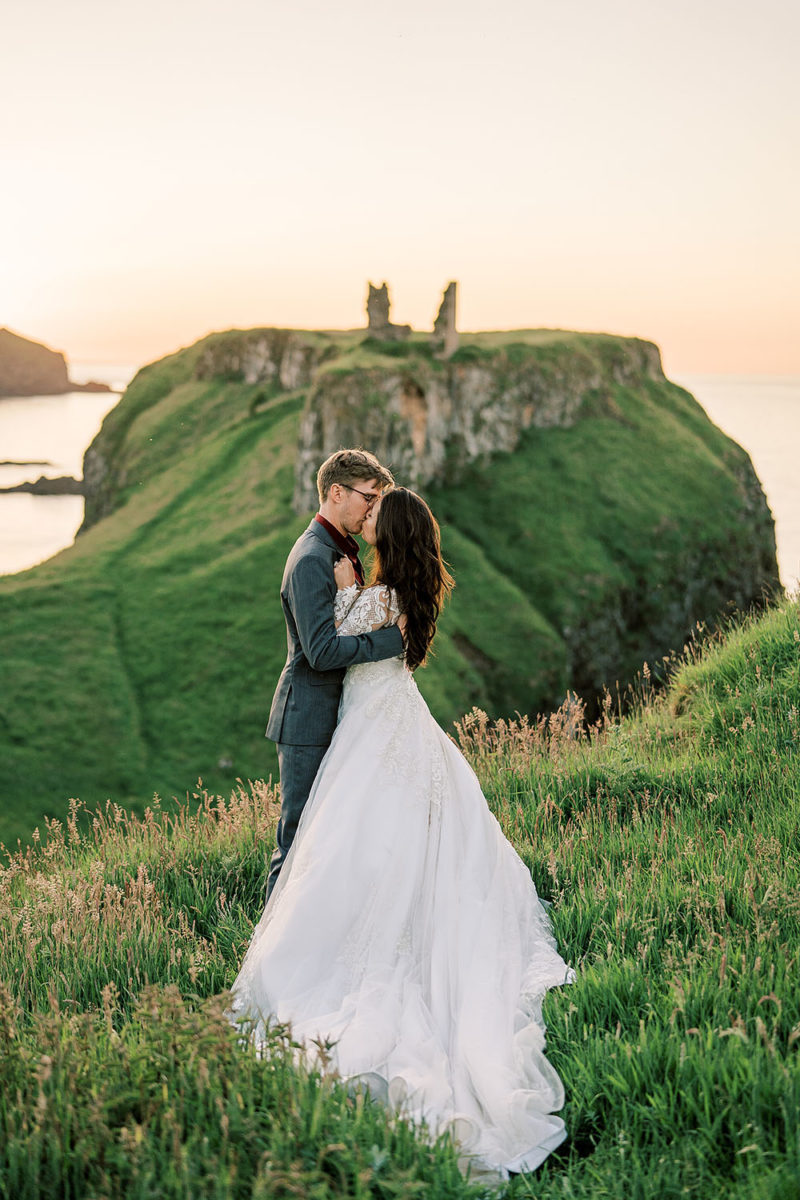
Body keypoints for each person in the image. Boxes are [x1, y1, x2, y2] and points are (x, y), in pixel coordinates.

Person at [228, 486, 575, 1182]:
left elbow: (340, 647)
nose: (368, 518)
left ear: (391, 534)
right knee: (362, 843)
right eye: (366, 505)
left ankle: (318, 941)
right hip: (381, 728)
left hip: (375, 732)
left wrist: (352, 588)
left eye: (378, 515)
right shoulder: (394, 589)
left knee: (346, 845)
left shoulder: (378, 594)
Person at [264, 448, 405, 899]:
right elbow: (321, 653)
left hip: (337, 715)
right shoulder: (312, 558)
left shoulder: (338, 550)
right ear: (336, 492)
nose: (372, 507)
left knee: (329, 839)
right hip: (307, 718)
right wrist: (393, 642)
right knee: (297, 839)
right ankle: (264, 954)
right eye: (369, 496)